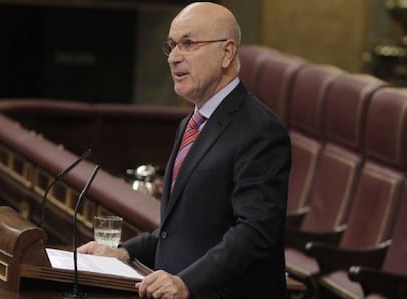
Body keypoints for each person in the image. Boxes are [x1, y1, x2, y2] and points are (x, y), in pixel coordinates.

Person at [78, 2, 291, 298]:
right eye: (172, 46)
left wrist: (187, 282)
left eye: (188, 44)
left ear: (227, 52)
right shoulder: (190, 123)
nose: (174, 58)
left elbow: (255, 233)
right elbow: (182, 230)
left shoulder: (259, 130)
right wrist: (124, 253)